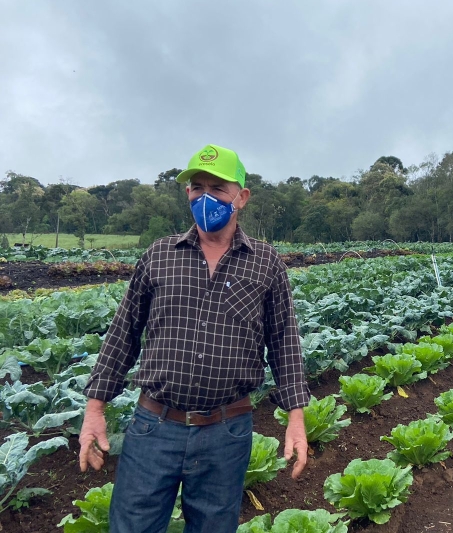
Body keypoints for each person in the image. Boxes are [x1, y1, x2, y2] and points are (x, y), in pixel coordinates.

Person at [78, 144, 310, 533]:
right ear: (187, 193)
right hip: (154, 426)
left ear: (241, 197)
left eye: (217, 188)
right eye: (197, 187)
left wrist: (296, 419)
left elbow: (284, 342)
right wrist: (94, 410)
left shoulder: (266, 262)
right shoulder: (159, 255)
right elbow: (123, 333)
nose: (205, 197)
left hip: (226, 431)